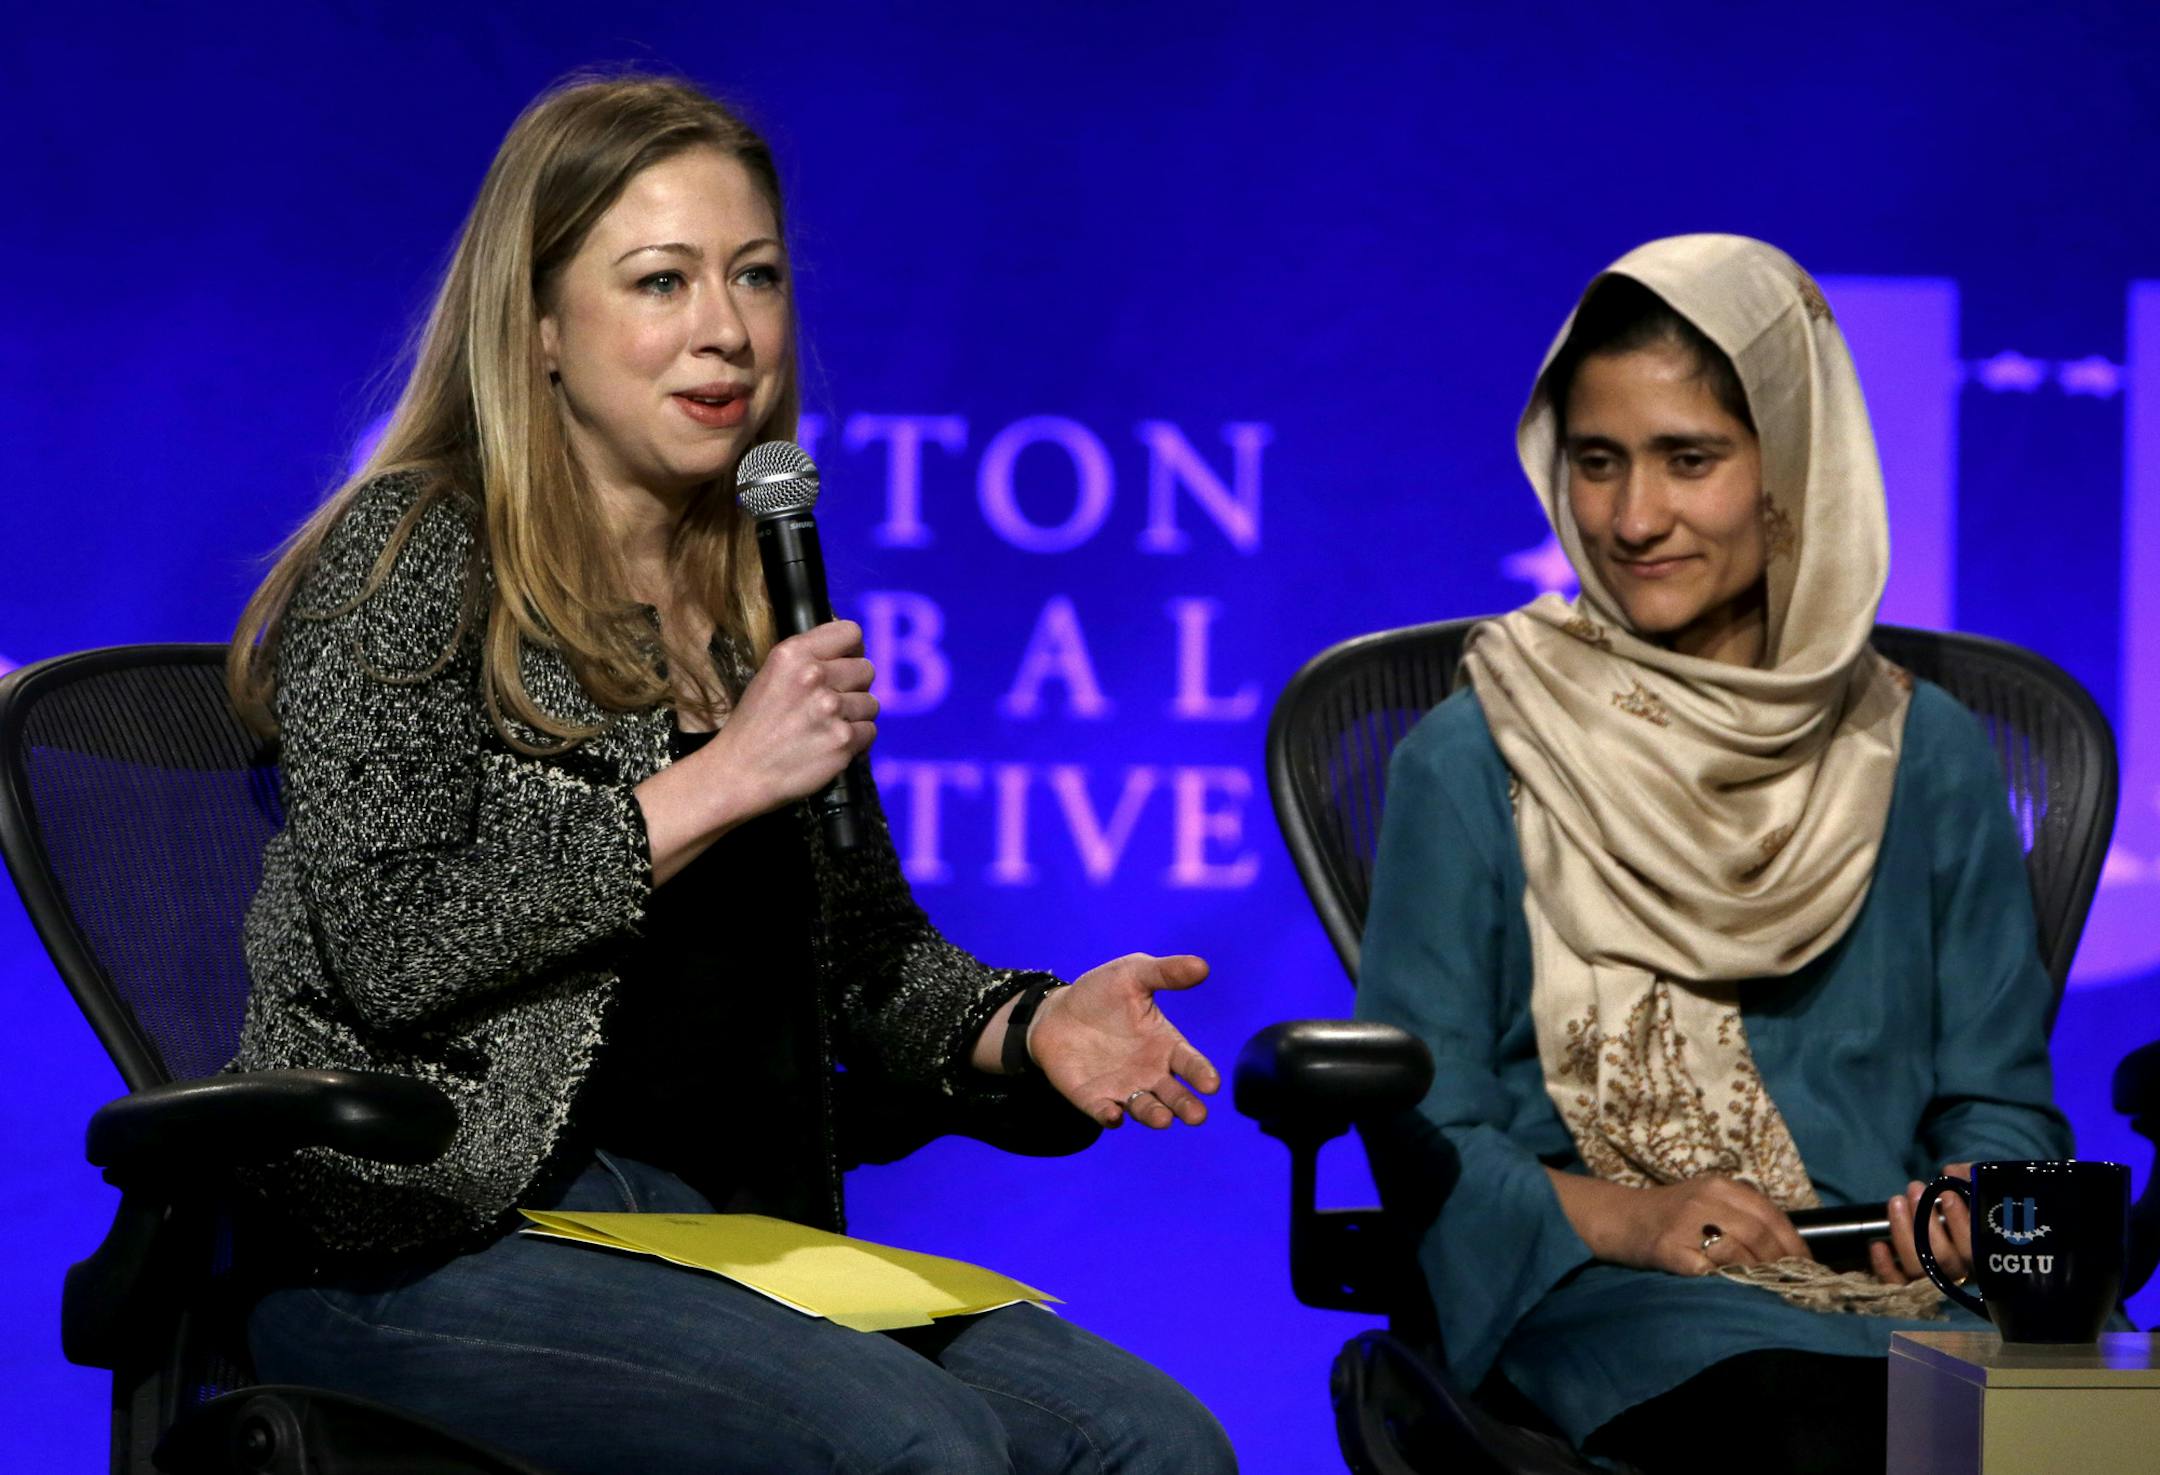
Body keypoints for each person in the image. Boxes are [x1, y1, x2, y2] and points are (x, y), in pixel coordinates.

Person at [225, 73, 1236, 1475]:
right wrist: (716, 782)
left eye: (753, 275)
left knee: (1157, 1439)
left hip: (711, 1235)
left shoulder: (755, 593)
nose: (725, 329)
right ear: (539, 328)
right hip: (432, 1234)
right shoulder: (410, 556)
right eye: (661, 280)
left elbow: (873, 965)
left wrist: (1029, 1030)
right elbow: (395, 943)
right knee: (914, 1444)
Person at [1354, 234, 2069, 1474]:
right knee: (1846, 1444)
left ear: (1790, 466)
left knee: (2086, 1433)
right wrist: (1633, 1217)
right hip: (1620, 1294)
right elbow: (1429, 1122)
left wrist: (1964, 1206)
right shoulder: (1476, 752)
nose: (1634, 518)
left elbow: (2001, 1097)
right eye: (1597, 463)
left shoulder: (1925, 751)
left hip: (1923, 1302)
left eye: (1690, 459)